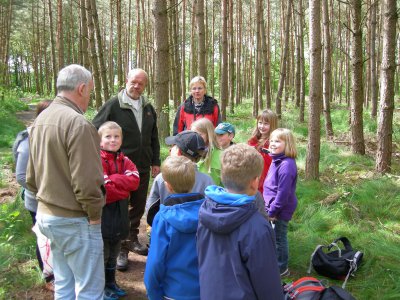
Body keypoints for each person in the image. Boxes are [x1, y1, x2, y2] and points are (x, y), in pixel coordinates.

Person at [26, 64, 105, 299]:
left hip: (46, 216)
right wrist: (94, 215)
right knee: (89, 290)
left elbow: (31, 178)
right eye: (90, 91)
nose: (89, 98)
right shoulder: (79, 124)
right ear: (81, 88)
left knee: (64, 284)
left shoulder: (41, 119)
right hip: (75, 220)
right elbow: (87, 182)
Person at [92, 68, 161, 270]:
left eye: (141, 83)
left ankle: (131, 238)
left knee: (139, 204)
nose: (137, 86)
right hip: (118, 166)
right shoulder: (114, 104)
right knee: (120, 206)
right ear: (126, 81)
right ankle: (120, 247)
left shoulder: (148, 107)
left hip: (143, 165)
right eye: (134, 82)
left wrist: (155, 160)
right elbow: (95, 128)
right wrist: (101, 153)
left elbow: (154, 136)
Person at [196, 143, 283, 300]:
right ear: (255, 182)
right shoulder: (258, 227)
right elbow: (267, 282)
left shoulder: (205, 211)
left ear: (223, 176)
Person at [144, 156, 204, 300]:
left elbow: (155, 261)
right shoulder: (209, 214)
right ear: (193, 181)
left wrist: (153, 294)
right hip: (204, 289)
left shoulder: (163, 218)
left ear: (168, 185)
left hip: (173, 291)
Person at [13, 100, 54, 292]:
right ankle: (49, 278)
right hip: (37, 201)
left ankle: (59, 272)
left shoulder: (53, 135)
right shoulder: (28, 140)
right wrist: (46, 191)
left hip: (57, 200)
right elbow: (22, 176)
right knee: (43, 238)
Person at [98, 121, 140, 299]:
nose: (112, 140)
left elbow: (135, 181)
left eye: (116, 137)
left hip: (121, 216)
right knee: (103, 254)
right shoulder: (98, 159)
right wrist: (122, 186)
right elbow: (105, 190)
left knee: (114, 252)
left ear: (122, 140)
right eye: (108, 136)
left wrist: (114, 179)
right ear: (100, 139)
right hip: (103, 217)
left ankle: (111, 282)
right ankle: (100, 289)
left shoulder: (125, 160)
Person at [145, 130, 214, 226]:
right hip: (196, 233)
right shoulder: (207, 180)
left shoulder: (162, 177)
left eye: (173, 146)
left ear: (179, 152)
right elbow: (211, 211)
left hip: (166, 229)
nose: (170, 148)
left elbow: (151, 209)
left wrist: (157, 226)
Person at [263, 128, 298, 277]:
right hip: (272, 206)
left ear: (288, 144)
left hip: (279, 210)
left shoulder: (286, 165)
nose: (272, 143)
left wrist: (272, 212)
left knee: (279, 238)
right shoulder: (276, 159)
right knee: (274, 236)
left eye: (277, 141)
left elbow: (283, 193)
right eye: (271, 140)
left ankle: (281, 268)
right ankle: (274, 262)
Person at [247, 109, 278, 194]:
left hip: (266, 184)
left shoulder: (273, 143)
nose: (262, 126)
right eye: (260, 123)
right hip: (251, 180)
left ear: (272, 125)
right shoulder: (252, 140)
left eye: (266, 124)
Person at [191, 118, 223, 186]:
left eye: (199, 134)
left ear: (209, 134)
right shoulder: (188, 152)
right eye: (193, 134)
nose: (196, 138)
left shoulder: (221, 155)